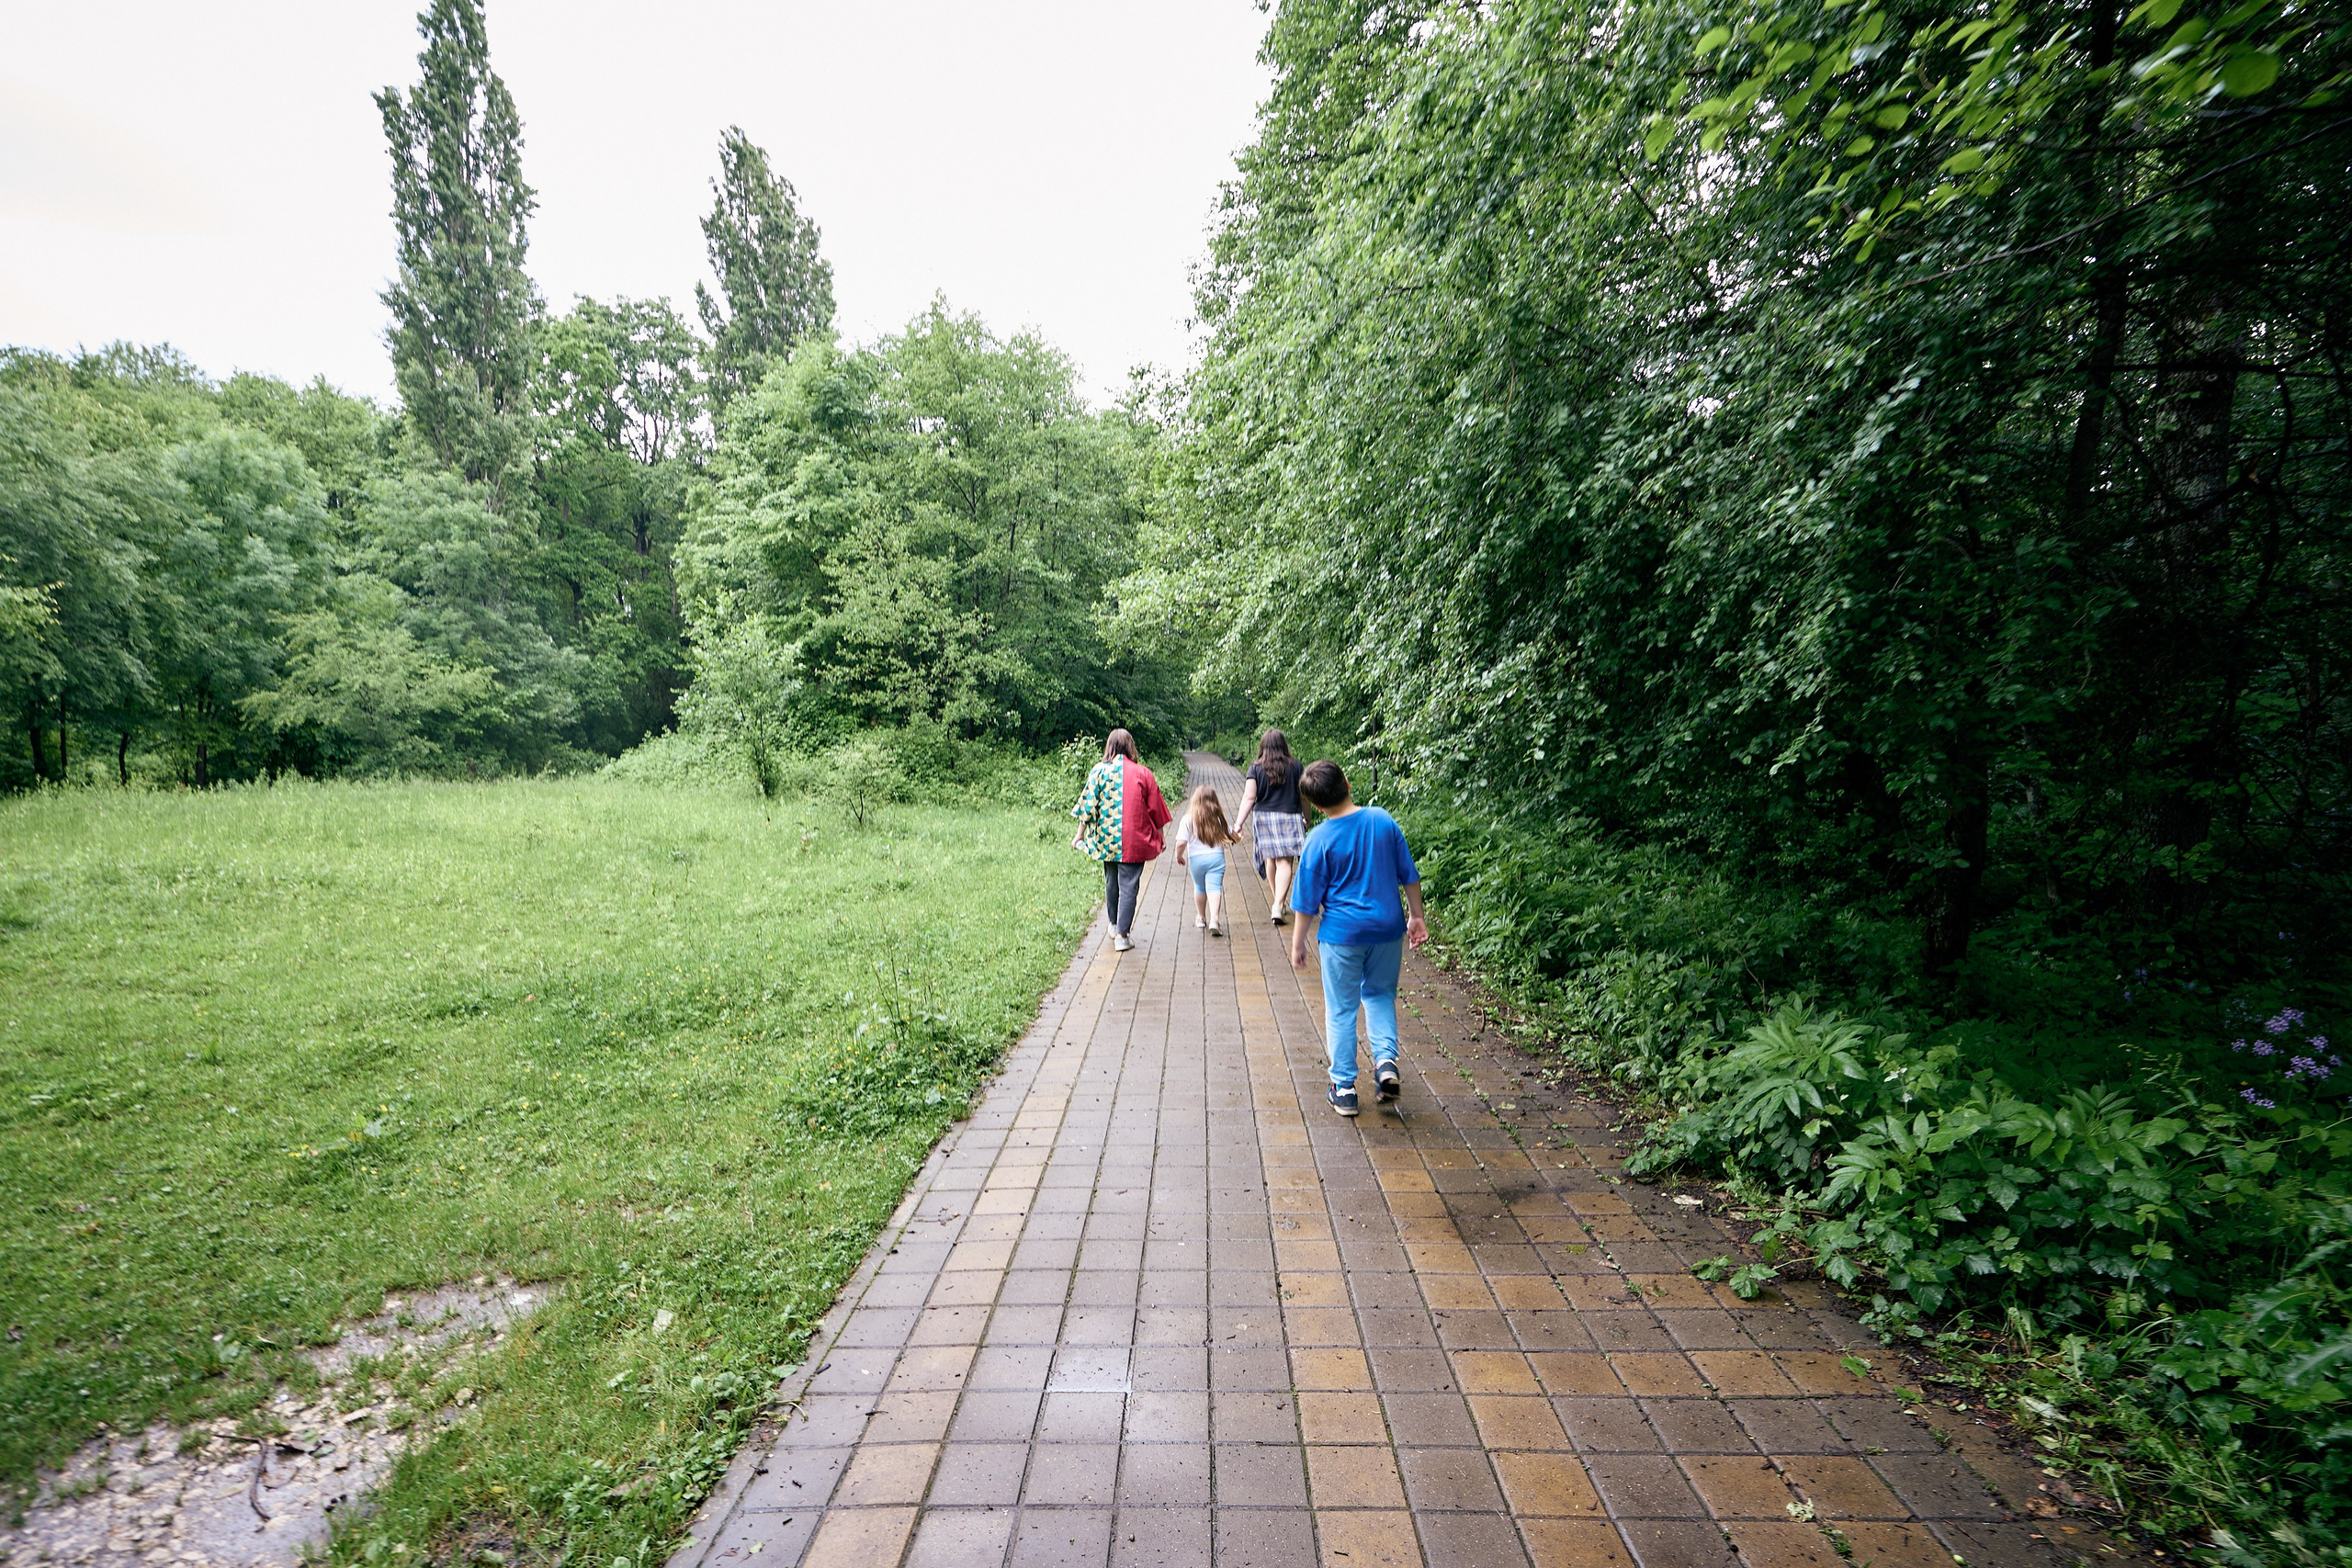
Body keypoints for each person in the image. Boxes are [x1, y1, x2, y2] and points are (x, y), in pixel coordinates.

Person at [1286, 759, 1429, 1117]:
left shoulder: (1318, 839)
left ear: (1317, 806)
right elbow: (1408, 875)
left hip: (1342, 936)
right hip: (1386, 930)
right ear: (1347, 782)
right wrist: (1416, 917)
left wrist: (1298, 942)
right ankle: (1385, 1066)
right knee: (1380, 995)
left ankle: (1345, 1088)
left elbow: (1306, 902)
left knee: (1342, 1008)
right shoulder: (1383, 821)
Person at [1069, 728, 1171, 953]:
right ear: (1130, 747)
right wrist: (1161, 837)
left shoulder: (1098, 771)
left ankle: (1113, 925)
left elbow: (1087, 806)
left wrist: (1080, 835)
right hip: (1135, 840)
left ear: (1110, 747)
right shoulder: (1144, 774)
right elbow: (1156, 809)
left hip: (1107, 840)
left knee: (1111, 880)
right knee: (1129, 886)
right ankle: (1122, 937)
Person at [1232, 728, 1305, 926]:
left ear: (1263, 746)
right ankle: (1278, 903)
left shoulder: (1255, 768)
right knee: (1285, 863)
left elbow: (1249, 797)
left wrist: (1238, 824)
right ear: (1283, 746)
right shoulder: (1296, 767)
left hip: (1263, 818)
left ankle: (1277, 903)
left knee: (1270, 859)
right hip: (1290, 816)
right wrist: (1307, 818)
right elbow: (1303, 796)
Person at [1174, 784, 1234, 936]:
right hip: (1216, 858)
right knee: (1214, 888)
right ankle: (1214, 920)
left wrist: (1179, 855)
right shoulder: (1218, 818)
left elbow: (1181, 842)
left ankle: (1201, 918)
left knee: (1200, 888)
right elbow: (1232, 835)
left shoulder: (1188, 819)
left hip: (1196, 860)